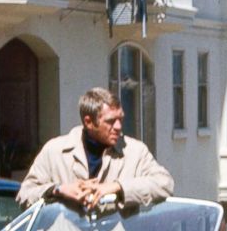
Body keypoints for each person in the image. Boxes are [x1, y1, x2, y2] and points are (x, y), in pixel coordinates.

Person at [16, 87, 173, 211]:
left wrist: (118, 187)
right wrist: (59, 190)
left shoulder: (134, 151)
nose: (118, 127)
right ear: (89, 122)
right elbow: (24, 195)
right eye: (111, 121)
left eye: (121, 119)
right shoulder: (55, 151)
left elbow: (165, 184)